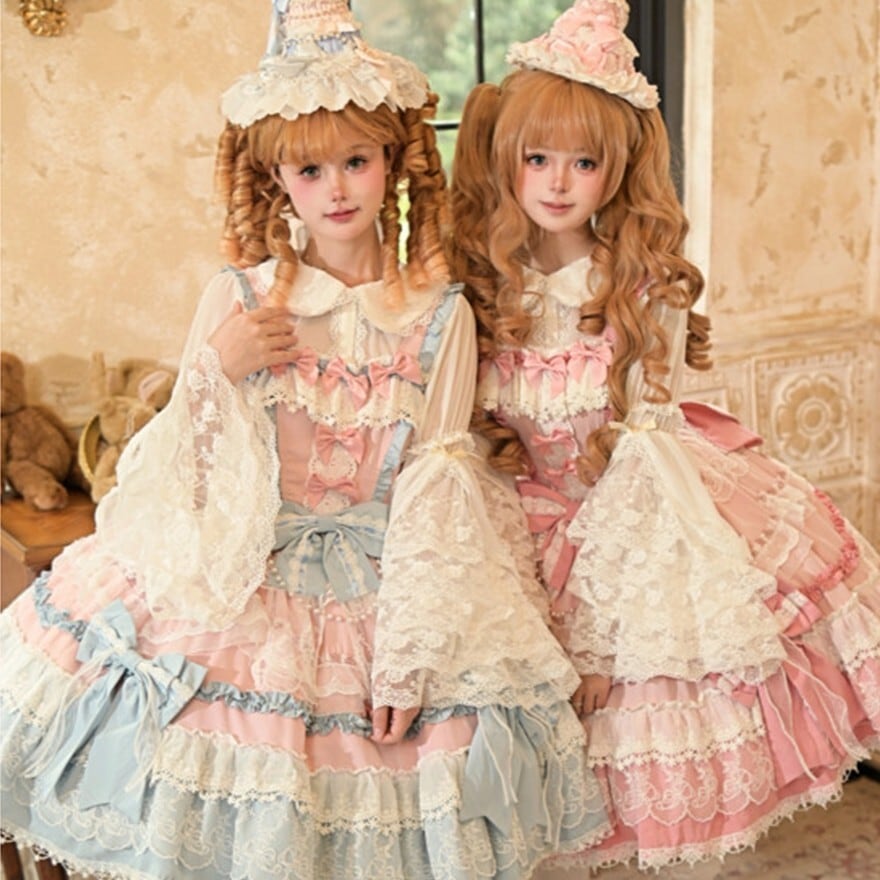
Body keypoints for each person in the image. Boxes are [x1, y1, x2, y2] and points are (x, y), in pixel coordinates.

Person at [0, 3, 613, 877]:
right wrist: (216, 369)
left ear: (393, 163)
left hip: (388, 593)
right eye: (310, 169)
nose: (337, 189)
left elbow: (438, 493)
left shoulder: (441, 317)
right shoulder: (241, 299)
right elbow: (188, 475)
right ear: (277, 179)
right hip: (250, 577)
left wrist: (408, 659)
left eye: (356, 161)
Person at [448, 0, 880, 872]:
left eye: (584, 162)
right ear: (507, 158)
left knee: (642, 791)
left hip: (634, 553)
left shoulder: (644, 291)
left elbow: (640, 482)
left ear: (618, 171)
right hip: (515, 544)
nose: (558, 182)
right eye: (537, 158)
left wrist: (597, 644)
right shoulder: (484, 288)